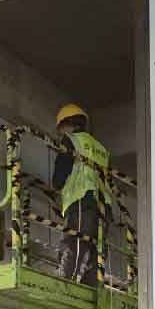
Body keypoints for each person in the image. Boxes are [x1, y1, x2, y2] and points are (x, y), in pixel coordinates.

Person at [51, 103, 113, 283]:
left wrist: (57, 185)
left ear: (66, 124)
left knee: (75, 240)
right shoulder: (100, 148)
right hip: (103, 204)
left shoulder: (71, 140)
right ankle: (91, 284)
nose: (60, 134)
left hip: (81, 198)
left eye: (60, 129)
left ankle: (66, 280)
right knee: (96, 247)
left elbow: (61, 171)